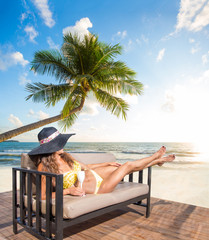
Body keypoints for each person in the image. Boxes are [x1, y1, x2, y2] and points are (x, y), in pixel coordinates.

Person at [29, 127, 175, 199]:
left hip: (95, 175)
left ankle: (157, 161)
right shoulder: (44, 166)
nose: (62, 144)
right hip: (99, 187)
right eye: (58, 142)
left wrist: (105, 164)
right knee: (128, 165)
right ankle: (156, 157)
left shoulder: (65, 156)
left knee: (126, 168)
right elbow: (41, 195)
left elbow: (86, 167)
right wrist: (68, 191)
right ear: (50, 146)